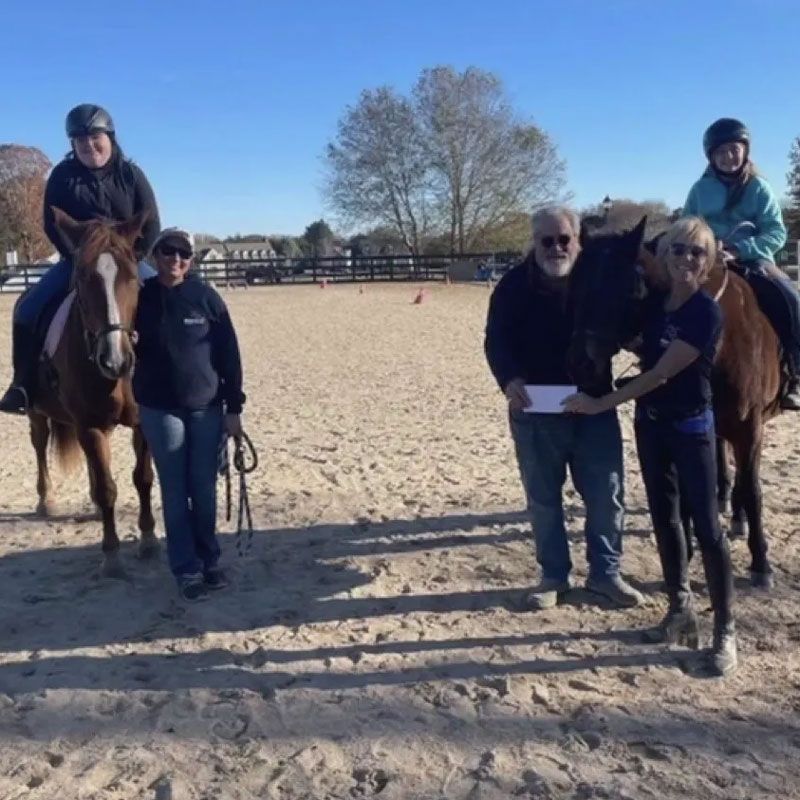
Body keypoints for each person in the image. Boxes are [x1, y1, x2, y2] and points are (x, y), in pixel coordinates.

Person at [563, 217, 737, 677]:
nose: (686, 259)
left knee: (707, 526)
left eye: (696, 252)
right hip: (652, 426)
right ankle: (679, 609)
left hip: (691, 428)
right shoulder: (655, 305)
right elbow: (621, 325)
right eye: (678, 250)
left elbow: (659, 373)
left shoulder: (705, 312)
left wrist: (602, 403)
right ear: (663, 256)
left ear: (708, 261)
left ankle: (725, 631)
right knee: (664, 516)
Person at [484, 206, 644, 611]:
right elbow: (496, 340)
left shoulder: (599, 278)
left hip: (593, 404)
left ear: (578, 240)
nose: (556, 248)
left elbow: (625, 323)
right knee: (543, 497)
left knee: (607, 496)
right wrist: (509, 379)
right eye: (546, 241)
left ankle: (606, 574)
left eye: (564, 239)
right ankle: (554, 575)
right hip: (536, 409)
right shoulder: (513, 286)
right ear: (534, 242)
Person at [0, 103, 161, 414]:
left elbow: (151, 221)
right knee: (27, 309)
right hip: (80, 259)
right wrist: (76, 256)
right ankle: (22, 384)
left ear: (110, 138)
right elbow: (51, 223)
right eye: (80, 141)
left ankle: (176, 378)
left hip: (126, 259)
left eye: (95, 137)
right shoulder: (62, 176)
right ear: (72, 145)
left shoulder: (131, 175)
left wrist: (132, 258)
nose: (89, 145)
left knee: (168, 300)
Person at [133, 228, 246, 602]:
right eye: (168, 252)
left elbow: (229, 355)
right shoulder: (139, 299)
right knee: (175, 489)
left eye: (183, 254)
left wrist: (234, 408)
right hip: (160, 407)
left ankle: (209, 559)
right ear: (155, 255)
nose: (175, 260)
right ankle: (186, 568)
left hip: (206, 408)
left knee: (203, 488)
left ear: (192, 260)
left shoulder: (206, 298)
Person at [683, 117, 800, 410]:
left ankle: (796, 373)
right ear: (712, 156)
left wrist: (739, 249)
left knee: (791, 298)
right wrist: (705, 248)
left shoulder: (759, 188)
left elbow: (776, 231)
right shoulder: (699, 190)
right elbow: (686, 226)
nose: (728, 157)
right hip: (707, 260)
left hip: (754, 259)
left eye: (734, 149)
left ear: (745, 151)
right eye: (721, 152)